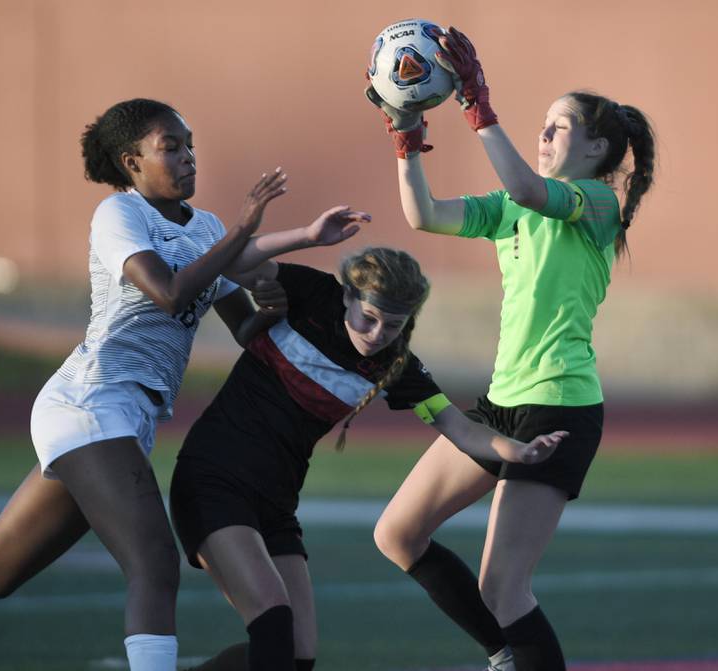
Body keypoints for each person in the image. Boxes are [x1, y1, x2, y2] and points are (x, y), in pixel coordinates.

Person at [0, 97, 368, 671]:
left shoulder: (206, 227)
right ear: (131, 161)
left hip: (127, 422)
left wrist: (276, 304)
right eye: (171, 147)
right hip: (88, 403)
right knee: (155, 563)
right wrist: (244, 228)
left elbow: (244, 328)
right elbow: (167, 291)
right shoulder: (120, 214)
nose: (188, 157)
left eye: (190, 145)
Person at [366, 27, 656, 671]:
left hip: (560, 410)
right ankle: (506, 655)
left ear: (599, 147)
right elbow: (423, 214)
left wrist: (477, 105)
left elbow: (530, 189)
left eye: (559, 126)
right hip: (501, 405)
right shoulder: (511, 207)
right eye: (543, 124)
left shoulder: (598, 202)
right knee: (397, 534)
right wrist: (405, 135)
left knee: (503, 586)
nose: (544, 133)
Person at [168, 246, 568, 671]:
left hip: (275, 505)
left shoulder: (395, 366)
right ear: (347, 297)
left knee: (296, 659)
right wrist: (308, 234)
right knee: (272, 625)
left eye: (393, 325)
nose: (377, 333)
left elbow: (461, 428)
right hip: (214, 479)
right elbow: (234, 261)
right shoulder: (314, 294)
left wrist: (518, 451)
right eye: (369, 318)